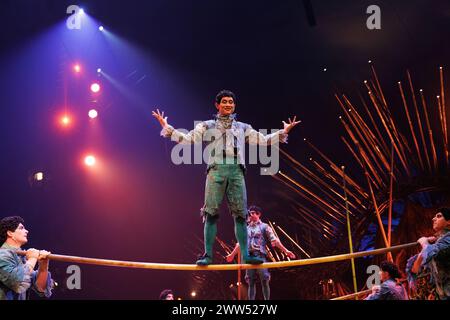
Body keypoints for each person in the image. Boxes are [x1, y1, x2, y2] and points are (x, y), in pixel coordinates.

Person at [152, 90, 300, 265]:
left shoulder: (243, 127)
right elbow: (188, 139)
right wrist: (166, 128)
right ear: (217, 105)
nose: (228, 104)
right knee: (210, 214)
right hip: (216, 171)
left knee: (240, 215)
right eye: (224, 101)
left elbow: (262, 139)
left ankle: (245, 255)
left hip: (236, 171)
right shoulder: (206, 125)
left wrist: (283, 132)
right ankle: (207, 255)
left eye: (231, 102)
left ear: (234, 105)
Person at [226, 205, 295, 300]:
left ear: (259, 214)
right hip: (249, 257)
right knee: (250, 282)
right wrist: (232, 254)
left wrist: (285, 250)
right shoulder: (246, 229)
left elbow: (274, 239)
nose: (251, 215)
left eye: (253, 213)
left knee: (265, 280)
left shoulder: (264, 227)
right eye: (250, 213)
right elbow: (240, 243)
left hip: (260, 256)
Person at [0, 216, 53, 300]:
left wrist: (43, 265)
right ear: (10, 233)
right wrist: (32, 259)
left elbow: (41, 288)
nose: (26, 231)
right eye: (21, 228)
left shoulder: (21, 257)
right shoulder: (2, 255)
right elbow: (17, 282)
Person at [406, 208, 450, 300]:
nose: (433, 219)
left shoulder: (447, 239)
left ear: (448, 222)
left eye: (439, 216)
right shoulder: (439, 241)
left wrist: (424, 242)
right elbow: (415, 268)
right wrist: (428, 244)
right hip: (443, 293)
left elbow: (430, 253)